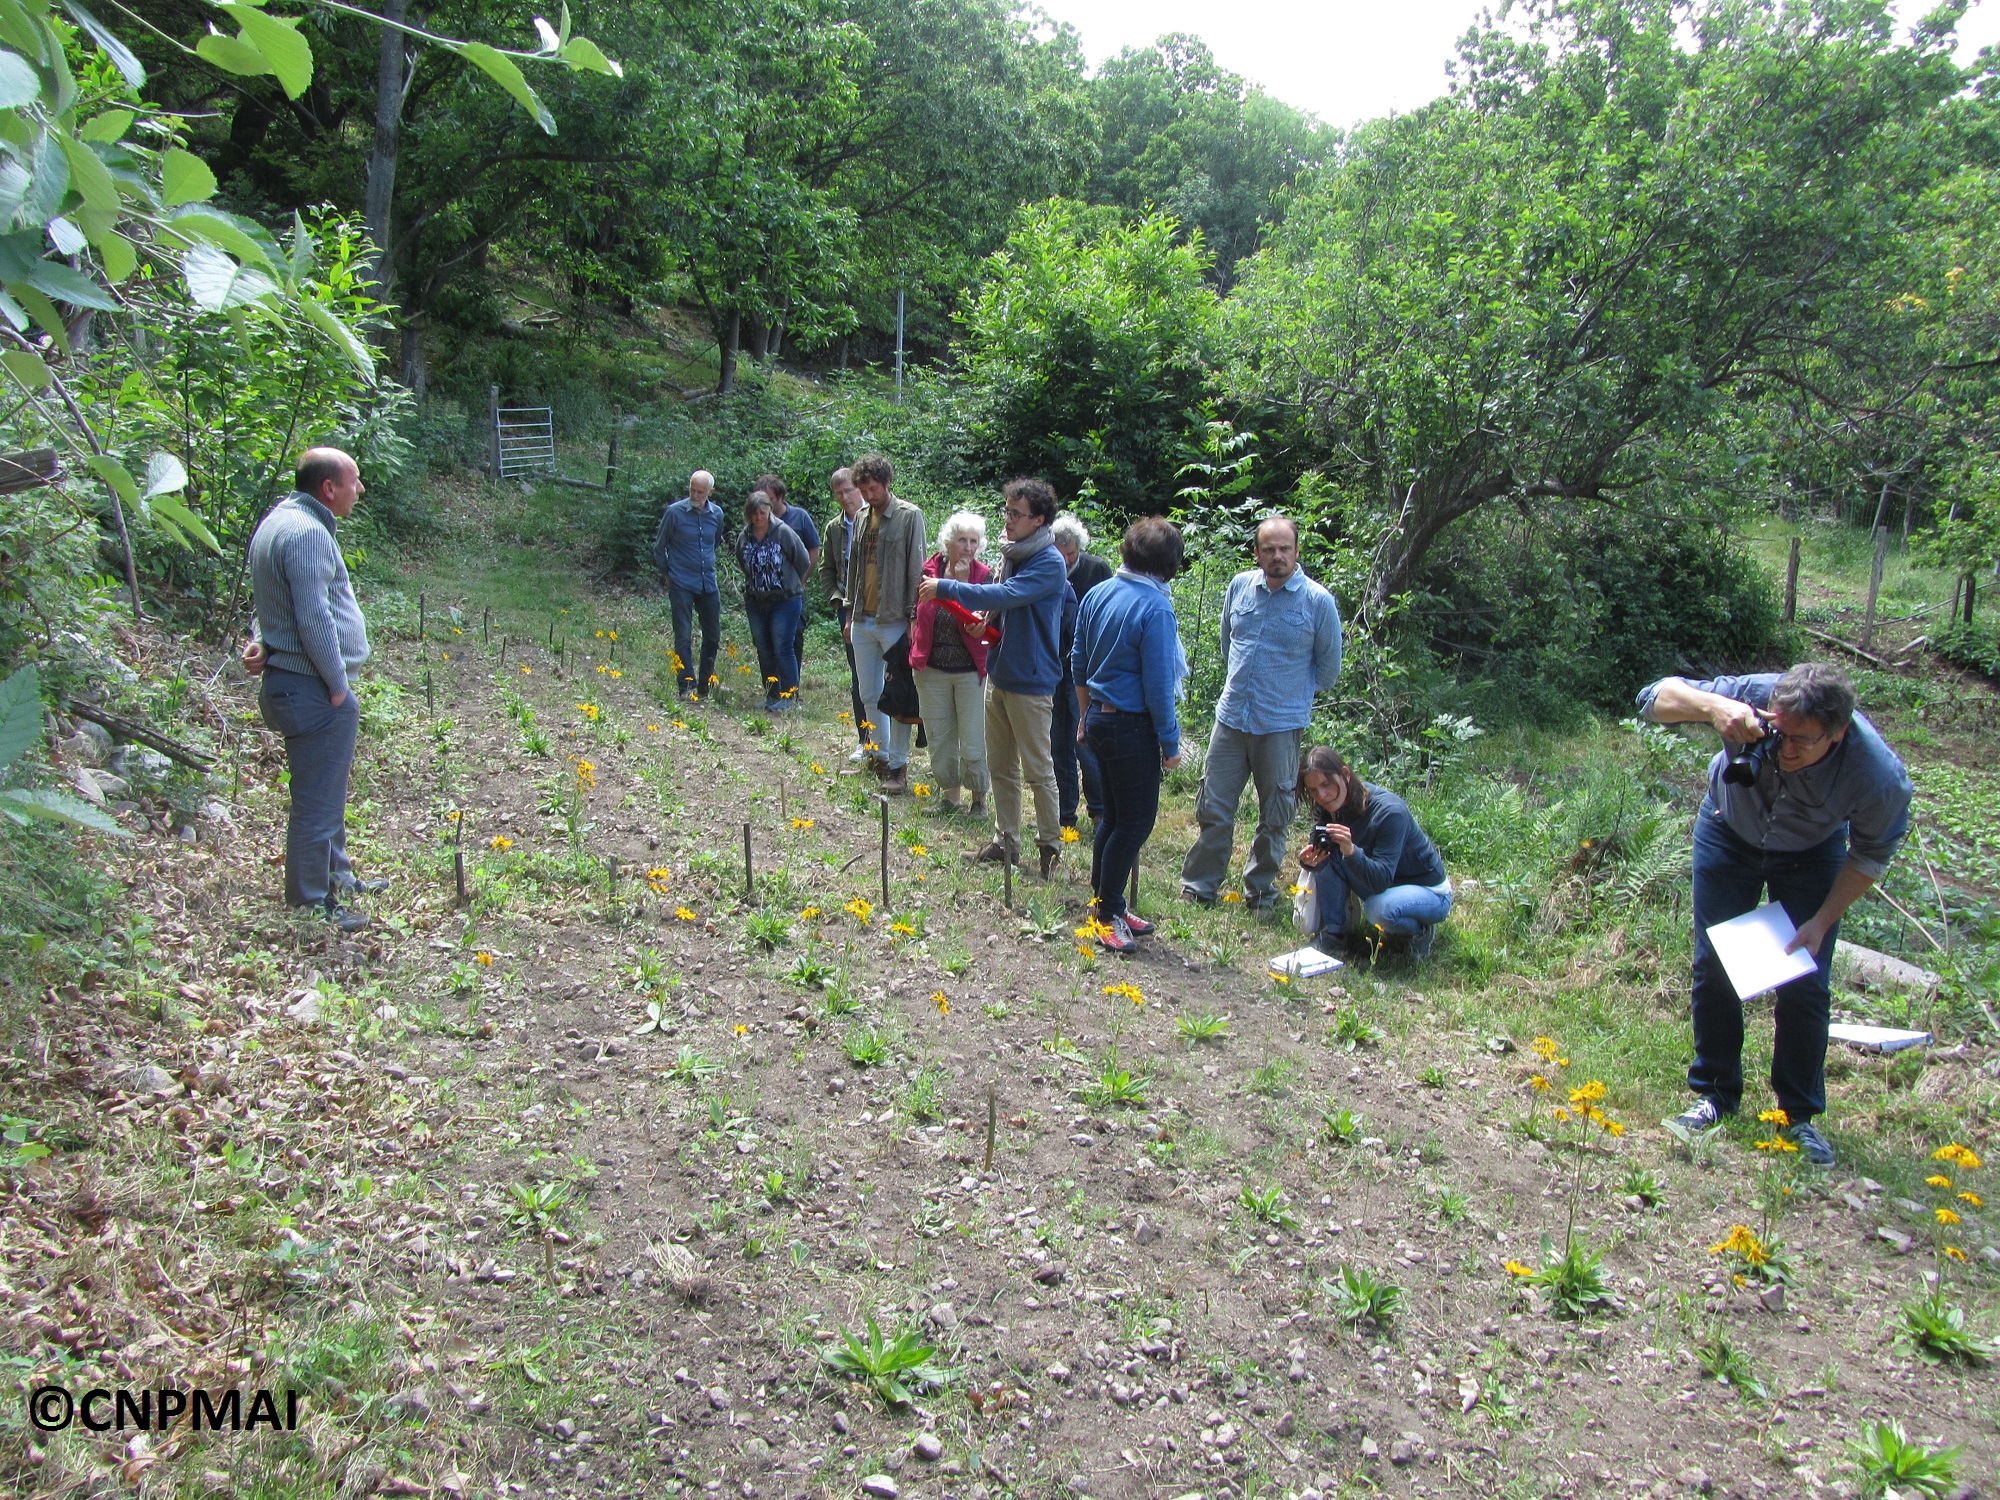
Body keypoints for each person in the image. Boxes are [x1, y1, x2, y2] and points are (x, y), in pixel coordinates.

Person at [1637, 663, 1912, 1168]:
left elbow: (1872, 854)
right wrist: (1715, 708)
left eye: (1802, 742)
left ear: (1838, 733)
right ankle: (1715, 1095)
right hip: (1728, 829)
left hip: (1811, 852)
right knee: (1714, 965)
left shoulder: (1875, 775)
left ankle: (1798, 1117)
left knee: (1805, 979)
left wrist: (1822, 921)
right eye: (1778, 734)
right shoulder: (1761, 696)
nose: (1784, 751)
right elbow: (1652, 696)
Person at [242, 447, 377, 932]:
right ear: (328, 488)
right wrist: (338, 688)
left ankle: (337, 875)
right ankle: (311, 903)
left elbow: (274, 598)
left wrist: (263, 642)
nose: (359, 490)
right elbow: (312, 616)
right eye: (354, 481)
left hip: (295, 680)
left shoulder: (281, 522)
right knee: (316, 804)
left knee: (326, 792)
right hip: (311, 686)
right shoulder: (305, 534)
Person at [1181, 516, 1343, 911]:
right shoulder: (1240, 587)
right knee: (1214, 807)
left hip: (1281, 726)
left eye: (1285, 548)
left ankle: (1260, 892)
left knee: (1275, 814)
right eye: (1269, 549)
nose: (1277, 556)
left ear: (1297, 551)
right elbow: (1227, 644)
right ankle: (1200, 886)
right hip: (1232, 718)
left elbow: (1328, 670)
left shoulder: (1317, 601)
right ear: (1257, 552)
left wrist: (1291, 694)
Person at [921, 477, 1070, 877]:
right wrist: (985, 622)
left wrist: (946, 589)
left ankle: (1050, 850)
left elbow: (1007, 595)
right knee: (1001, 767)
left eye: (1016, 514)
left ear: (1039, 520)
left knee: (1039, 771)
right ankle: (1006, 842)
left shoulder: (1049, 561)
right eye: (1006, 511)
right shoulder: (1013, 553)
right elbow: (1004, 605)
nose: (1008, 520)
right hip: (1000, 672)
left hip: (1031, 681)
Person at [1072, 517, 1186, 953]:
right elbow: (1158, 685)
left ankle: (1109, 904)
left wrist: (1085, 715)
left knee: (1115, 818)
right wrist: (1170, 744)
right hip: (1131, 725)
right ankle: (1105, 916)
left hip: (1100, 719)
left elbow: (1079, 661)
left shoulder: (1100, 592)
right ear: (1167, 563)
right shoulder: (1155, 606)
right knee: (1134, 823)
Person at [1294, 745, 1451, 960]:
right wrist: (1312, 861)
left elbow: (1380, 881)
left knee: (1378, 910)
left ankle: (1420, 931)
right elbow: (1326, 862)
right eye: (1313, 790)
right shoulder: (1328, 805)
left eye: (1326, 784)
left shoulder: (1389, 812)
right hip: (1379, 882)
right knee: (1330, 854)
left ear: (1346, 775)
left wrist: (1351, 852)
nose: (1321, 795)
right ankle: (1334, 935)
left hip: (1427, 891)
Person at [845, 455, 927, 793]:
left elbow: (917, 568)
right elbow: (855, 570)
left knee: (897, 696)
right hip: (863, 618)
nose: (867, 495)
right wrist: (850, 614)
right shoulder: (862, 516)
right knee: (868, 693)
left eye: (873, 488)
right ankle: (876, 758)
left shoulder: (910, 516)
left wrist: (913, 616)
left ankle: (898, 767)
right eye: (863, 489)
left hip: (895, 619)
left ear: (887, 483)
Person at [911, 511, 994, 816]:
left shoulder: (985, 576)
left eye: (974, 541)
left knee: (973, 738)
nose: (969, 546)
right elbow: (916, 610)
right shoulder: (929, 570)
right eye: (962, 539)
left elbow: (986, 618)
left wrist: (961, 586)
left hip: (971, 670)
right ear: (949, 542)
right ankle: (950, 798)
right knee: (939, 735)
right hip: (931, 668)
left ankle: (979, 800)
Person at [1051, 512, 1112, 831]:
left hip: (1084, 668)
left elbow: (1107, 615)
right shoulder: (1044, 567)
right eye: (1059, 554)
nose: (1064, 560)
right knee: (1056, 741)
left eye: (1070, 554)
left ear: (1078, 550)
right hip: (1051, 665)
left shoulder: (1097, 568)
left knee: (1082, 738)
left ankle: (1100, 808)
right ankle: (1064, 814)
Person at [732, 490, 812, 711]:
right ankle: (771, 695)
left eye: (762, 512)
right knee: (763, 647)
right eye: (754, 513)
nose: (758, 517)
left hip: (785, 599)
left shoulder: (783, 532)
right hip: (756, 601)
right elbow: (742, 560)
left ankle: (791, 697)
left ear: (769, 511)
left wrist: (788, 581)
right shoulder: (744, 536)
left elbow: (803, 560)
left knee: (783, 646)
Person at [652, 469, 727, 699]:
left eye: (700, 491)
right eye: (692, 490)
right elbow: (659, 547)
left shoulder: (717, 514)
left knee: (713, 635)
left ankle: (707, 682)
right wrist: (669, 573)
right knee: (683, 635)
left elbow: (713, 543)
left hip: (708, 582)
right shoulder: (674, 513)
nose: (695, 495)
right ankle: (686, 685)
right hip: (682, 581)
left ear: (710, 492)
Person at [819, 467, 871, 762]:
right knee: (858, 675)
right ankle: (865, 740)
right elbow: (827, 570)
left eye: (848, 490)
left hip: (879, 607)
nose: (844, 497)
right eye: (838, 493)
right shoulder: (834, 528)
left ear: (860, 488)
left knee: (887, 675)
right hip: (849, 610)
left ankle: (893, 740)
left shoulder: (877, 518)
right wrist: (838, 600)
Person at [758, 472, 819, 690]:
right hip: (764, 594)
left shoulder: (799, 517)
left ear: (780, 497)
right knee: (765, 641)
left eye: (769, 500)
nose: (765, 504)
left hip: (792, 592)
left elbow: (813, 550)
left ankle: (791, 688)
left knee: (792, 639)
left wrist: (802, 578)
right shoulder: (758, 519)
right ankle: (772, 689)